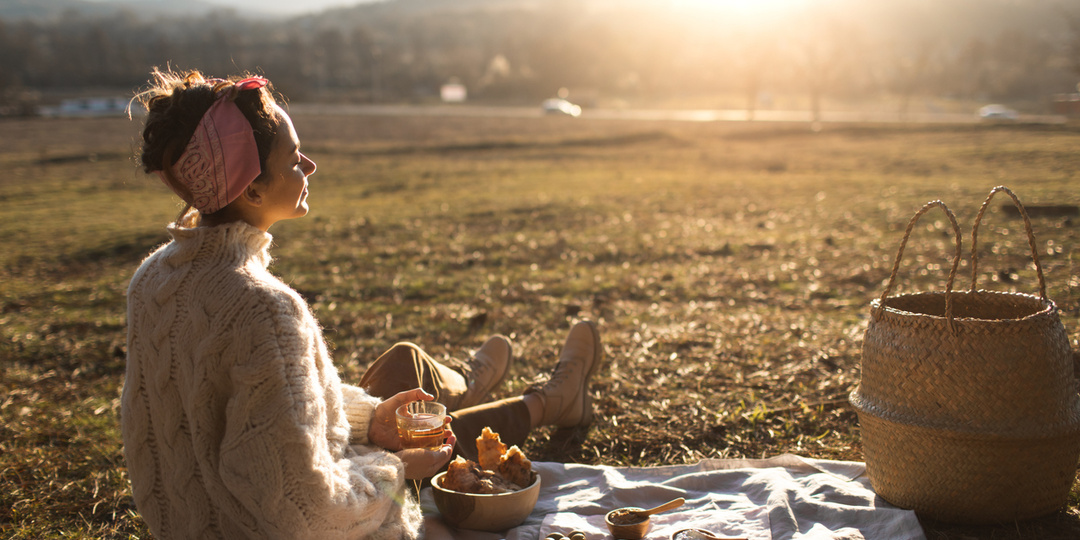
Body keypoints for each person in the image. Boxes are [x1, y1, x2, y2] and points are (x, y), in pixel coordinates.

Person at [121, 69, 604, 540]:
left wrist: (369, 420)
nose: (308, 165)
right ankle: (536, 400)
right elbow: (305, 513)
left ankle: (488, 388)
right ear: (251, 188)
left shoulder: (152, 279)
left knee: (405, 363)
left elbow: (247, 416)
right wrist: (396, 467)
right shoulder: (263, 310)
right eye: (292, 158)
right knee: (466, 518)